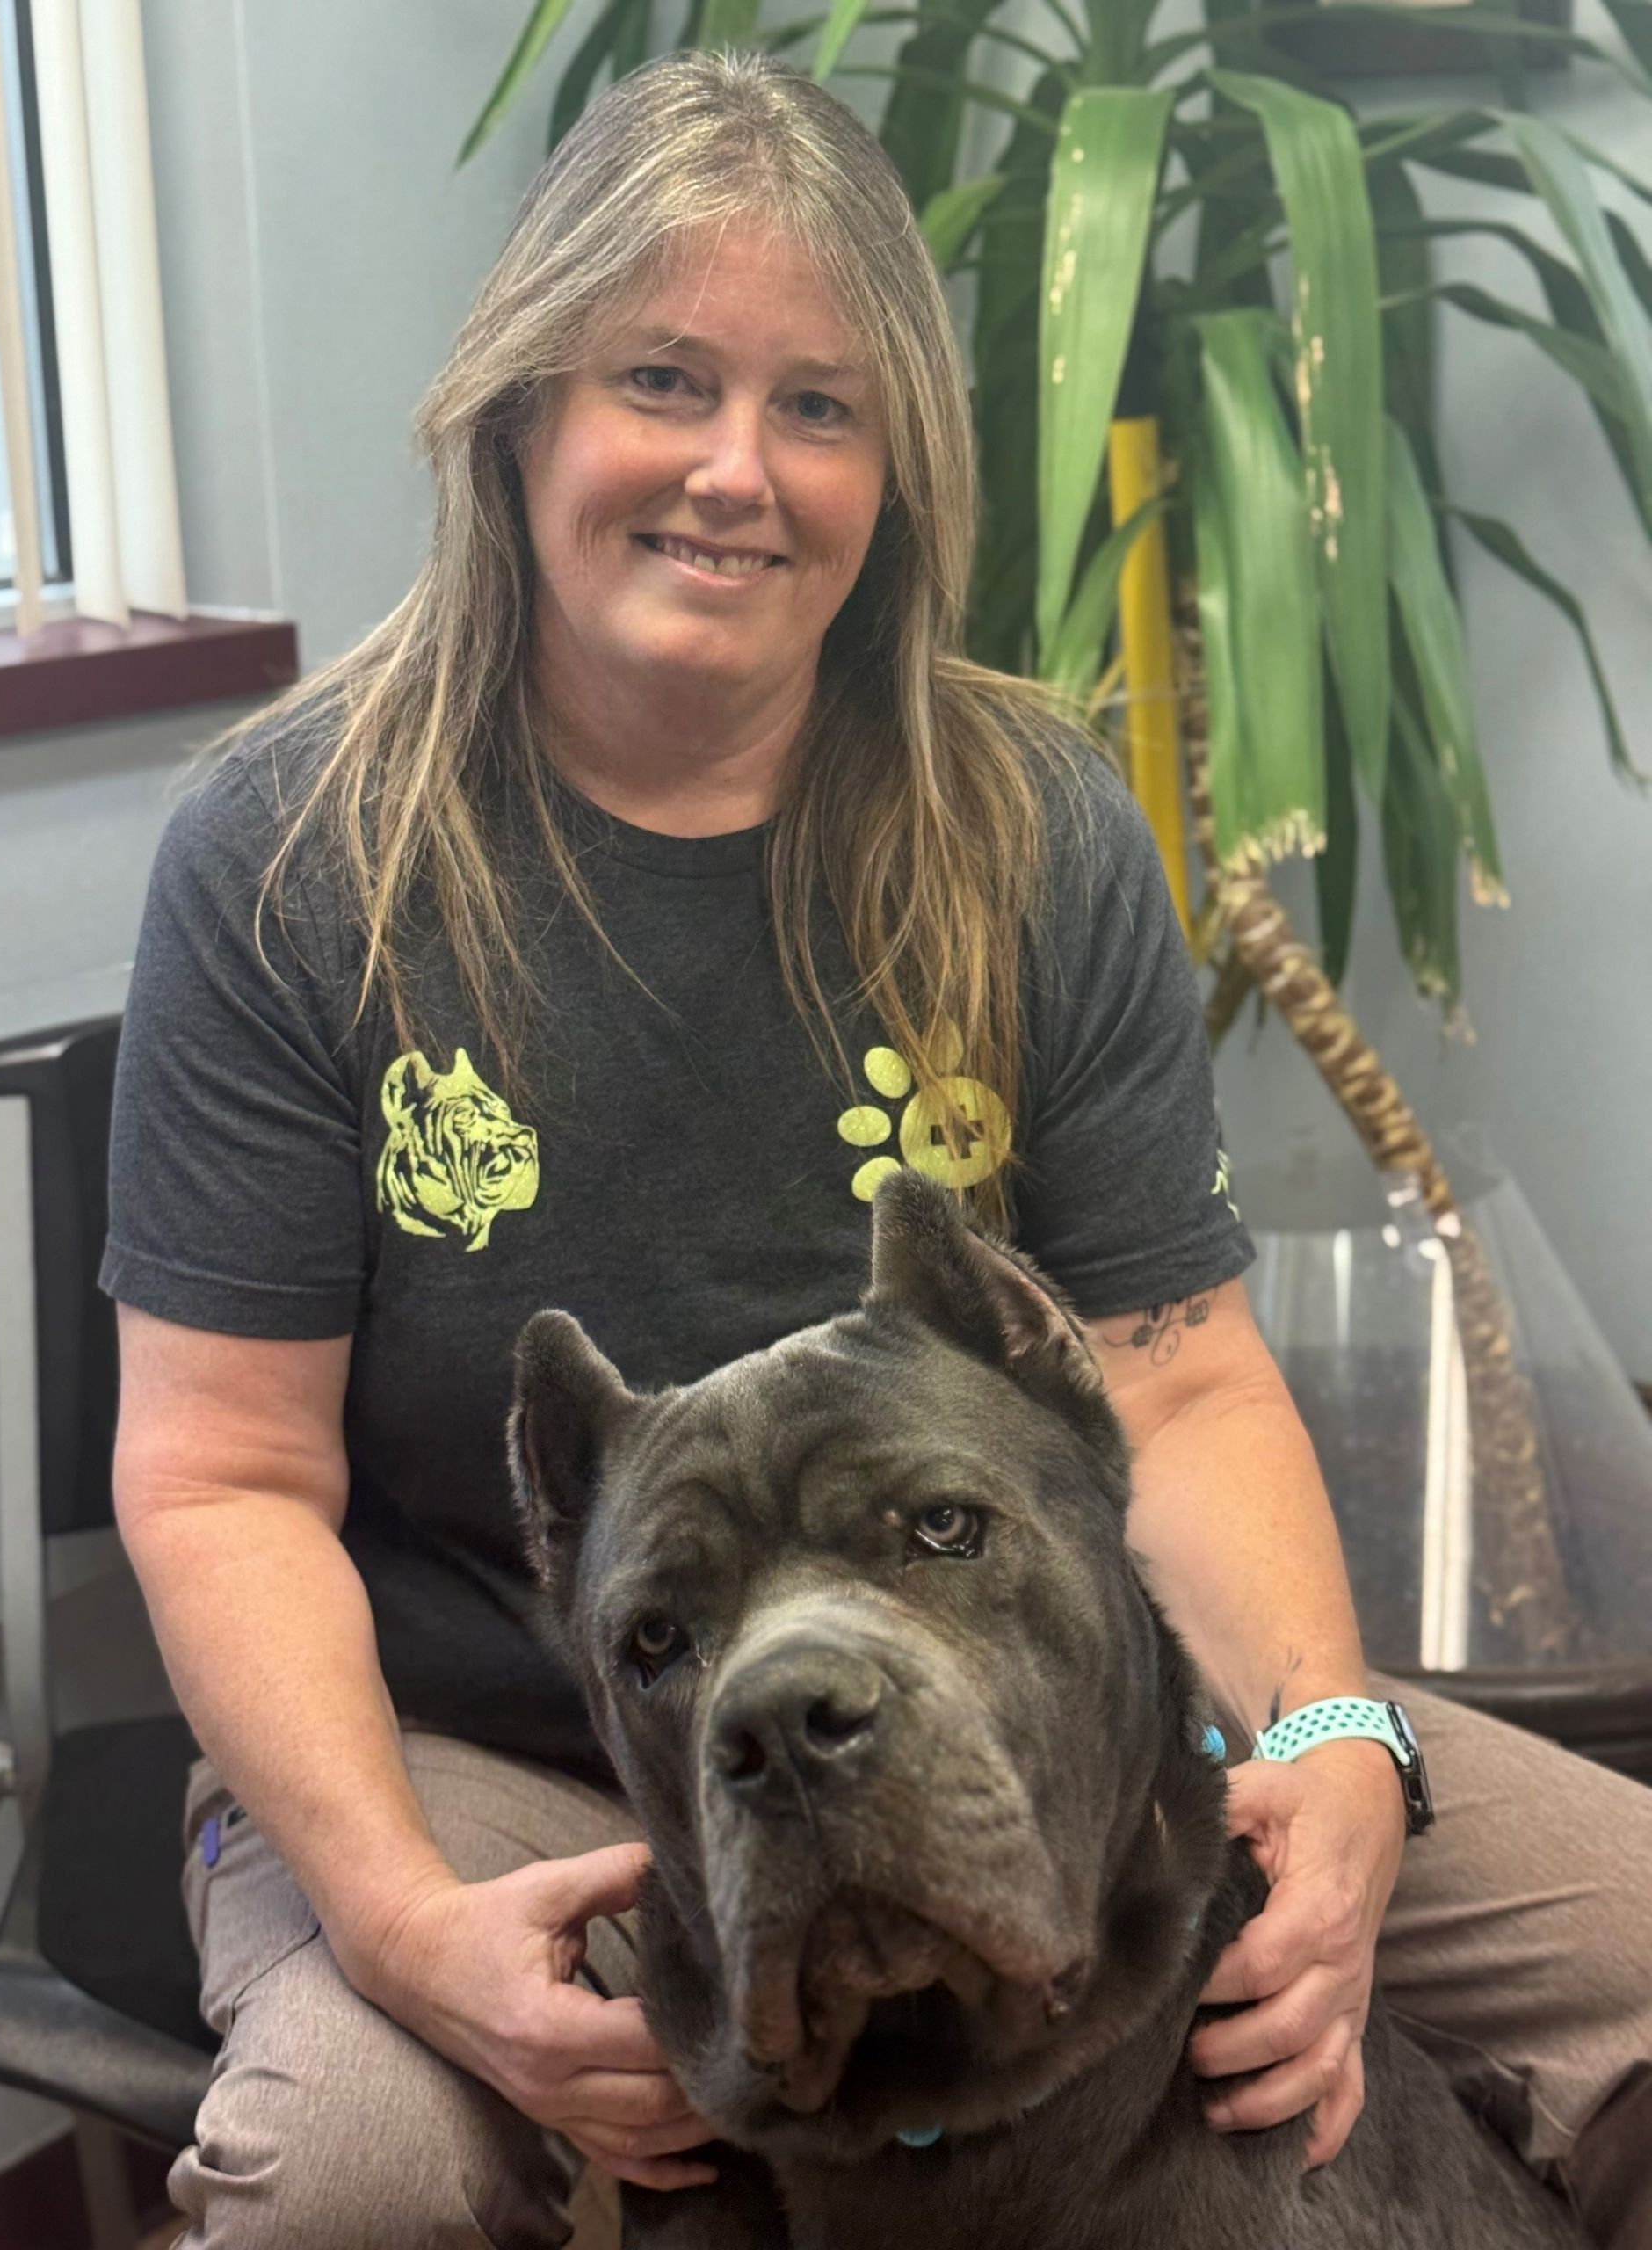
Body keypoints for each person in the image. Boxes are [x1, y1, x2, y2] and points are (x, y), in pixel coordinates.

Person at [104, 47, 1652, 2250]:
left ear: (898, 474)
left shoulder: (1023, 819)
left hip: (1026, 1684)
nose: (736, 472)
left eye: (819, 408)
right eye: (663, 378)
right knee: (350, 2172)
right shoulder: (288, 860)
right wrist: (394, 1916)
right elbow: (220, 1474)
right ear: (522, 409)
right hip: (467, 1727)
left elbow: (1175, 1375)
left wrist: (1323, 1737)